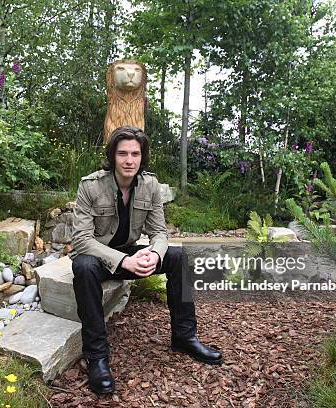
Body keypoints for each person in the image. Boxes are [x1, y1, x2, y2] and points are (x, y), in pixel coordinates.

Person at [69, 126, 222, 394]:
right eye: (123, 154)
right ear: (112, 156)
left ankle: (184, 337)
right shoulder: (90, 186)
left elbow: (159, 232)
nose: (129, 160)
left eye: (135, 154)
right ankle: (97, 357)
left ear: (142, 157)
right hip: (99, 257)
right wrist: (122, 262)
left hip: (130, 251)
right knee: (82, 266)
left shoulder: (151, 185)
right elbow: (82, 240)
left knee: (177, 255)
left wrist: (153, 253)